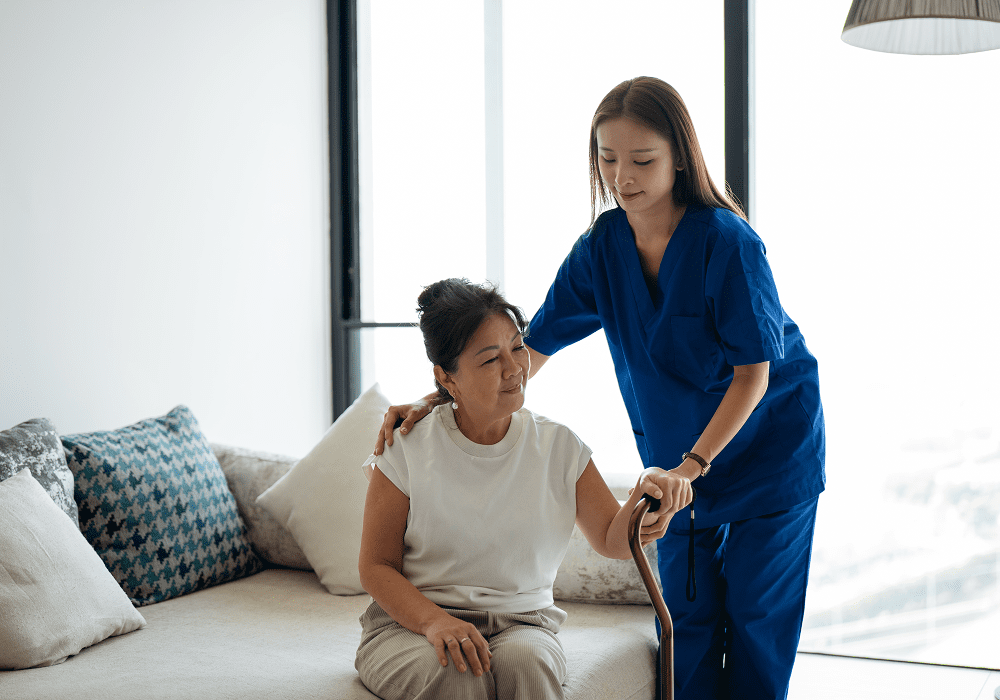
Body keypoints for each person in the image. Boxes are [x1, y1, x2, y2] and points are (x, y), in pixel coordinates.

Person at [375, 77, 825, 700]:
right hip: (679, 467)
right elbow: (528, 349)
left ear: (680, 157)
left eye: (642, 160)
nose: (623, 177)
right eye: (607, 159)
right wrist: (441, 398)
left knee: (755, 622)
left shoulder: (728, 244)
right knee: (687, 626)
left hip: (768, 451)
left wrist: (694, 466)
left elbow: (755, 374)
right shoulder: (602, 249)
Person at [356, 278, 693, 700]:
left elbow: (613, 537)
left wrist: (650, 489)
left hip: (523, 623)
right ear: (446, 377)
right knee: (458, 675)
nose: (514, 368)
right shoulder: (406, 447)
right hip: (409, 626)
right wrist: (434, 622)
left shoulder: (558, 446)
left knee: (528, 666)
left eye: (517, 347)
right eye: (489, 359)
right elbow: (375, 565)